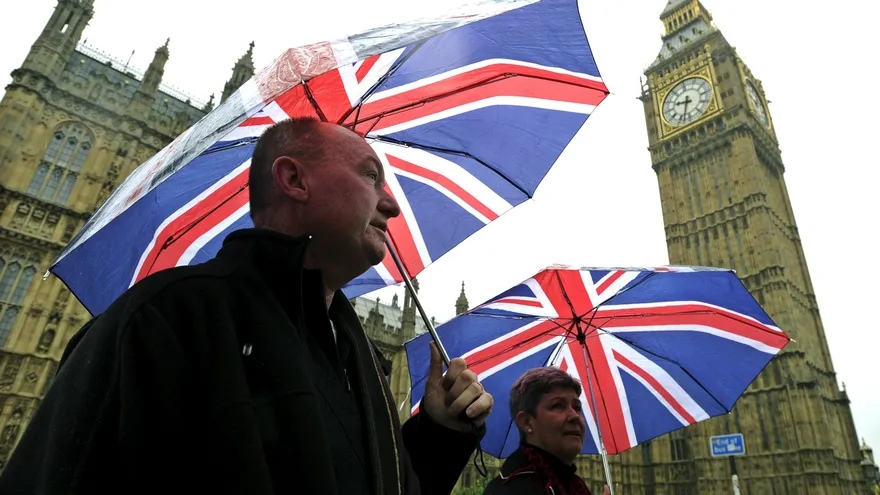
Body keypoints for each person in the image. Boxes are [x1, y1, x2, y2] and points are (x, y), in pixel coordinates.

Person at [0, 117, 494, 494]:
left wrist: (437, 434)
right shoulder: (165, 319)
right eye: (371, 178)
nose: (392, 204)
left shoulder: (356, 352)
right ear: (294, 181)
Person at [483, 367, 608, 495]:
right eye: (558, 405)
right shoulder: (510, 489)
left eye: (577, 407)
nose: (575, 416)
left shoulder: (574, 487)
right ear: (526, 422)